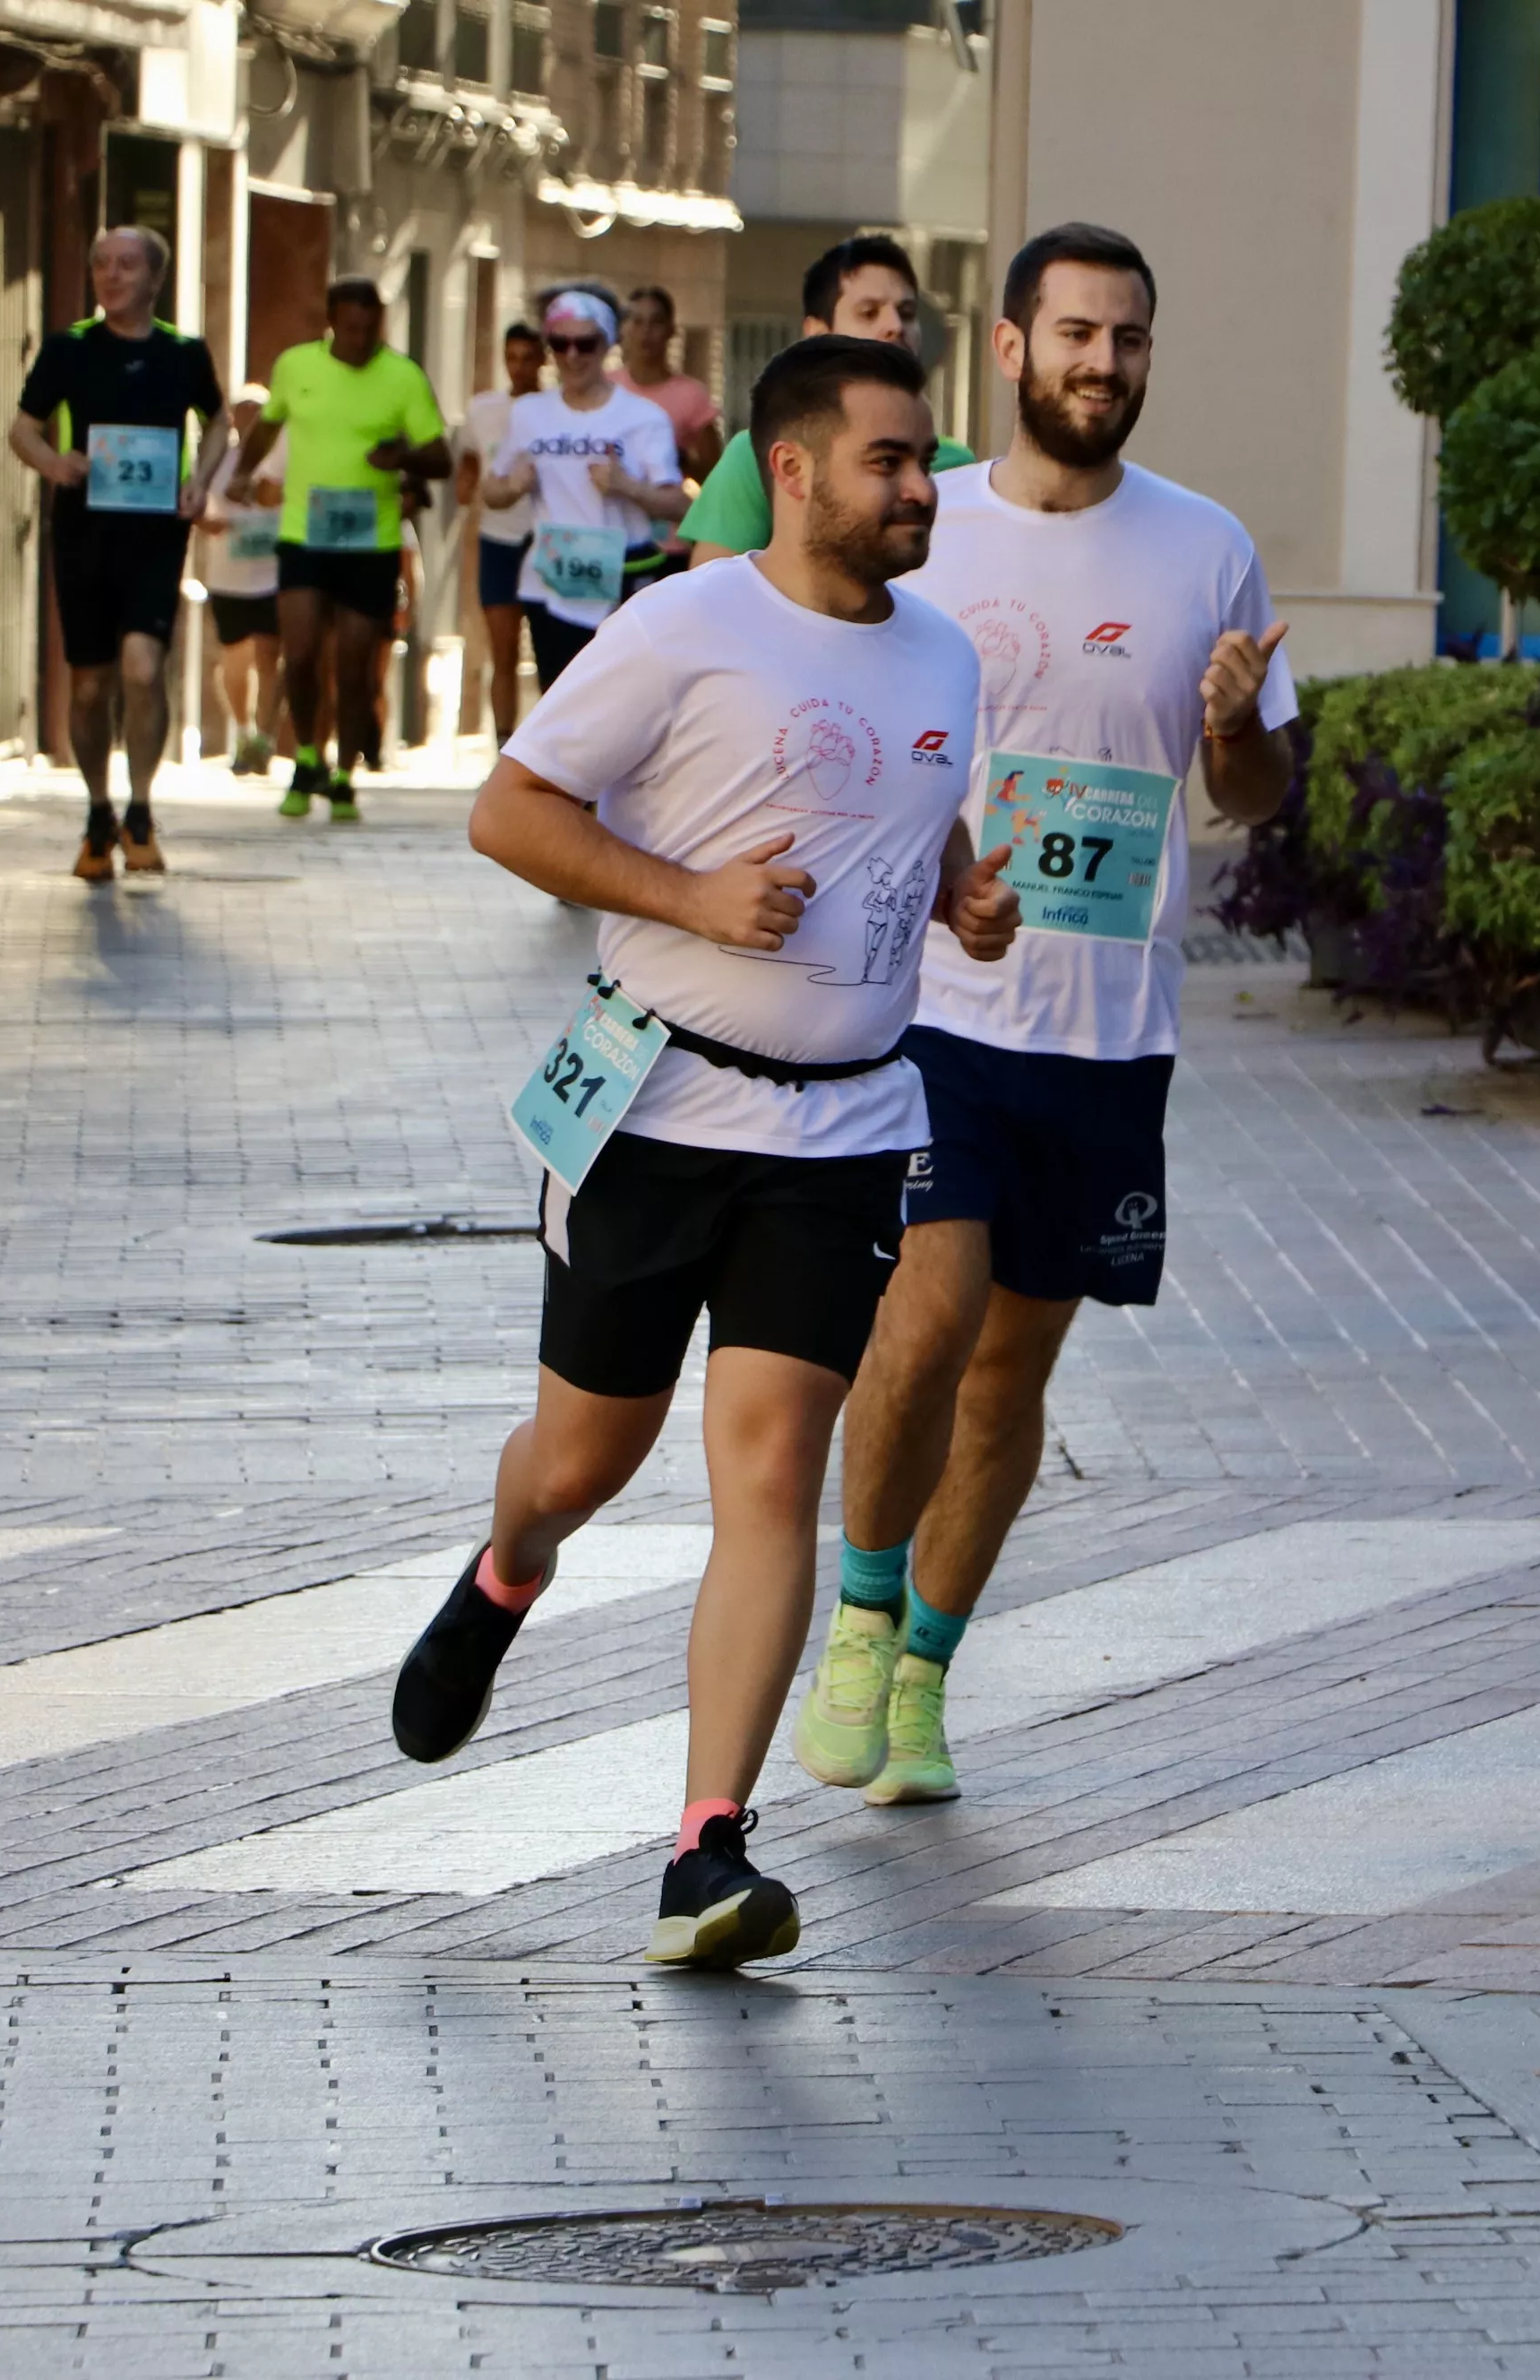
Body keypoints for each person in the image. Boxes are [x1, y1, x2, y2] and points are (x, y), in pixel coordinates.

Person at [385, 335, 1020, 1969]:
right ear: (793, 468)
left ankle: (706, 1849)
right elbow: (509, 811)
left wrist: (955, 890)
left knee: (765, 1472)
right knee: (584, 1460)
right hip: (658, 1105)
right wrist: (686, 898)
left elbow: (915, 800)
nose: (918, 489)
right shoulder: (681, 628)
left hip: (847, 1123)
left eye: (925, 459)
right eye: (888, 461)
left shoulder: (944, 656)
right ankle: (504, 1570)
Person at [791, 222, 1295, 1809]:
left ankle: (928, 1670)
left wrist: (1233, 729)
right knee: (924, 1323)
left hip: (1108, 1027)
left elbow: (1255, 791)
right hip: (933, 1008)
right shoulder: (924, 525)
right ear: (1007, 350)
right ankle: (858, 1618)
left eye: (1127, 339)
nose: (1100, 363)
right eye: (1073, 334)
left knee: (1010, 1375)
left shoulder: (1205, 548)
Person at [7, 225, 223, 879]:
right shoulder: (69, 349)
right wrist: (55, 463)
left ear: (154, 279)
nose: (112, 276)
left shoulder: (184, 353)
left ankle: (141, 806)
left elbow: (219, 422)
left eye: (127, 266)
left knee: (141, 666)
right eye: (102, 264)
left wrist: (200, 481)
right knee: (90, 683)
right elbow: (22, 429)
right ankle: (98, 808)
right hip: (85, 532)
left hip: (156, 533)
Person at [237, 276, 450, 820]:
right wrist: (241, 472)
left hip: (369, 542)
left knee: (354, 668)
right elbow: (267, 425)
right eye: (350, 329)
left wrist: (402, 456)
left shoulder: (403, 378)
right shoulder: (296, 367)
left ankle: (346, 773)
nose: (359, 340)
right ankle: (307, 754)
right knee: (300, 654)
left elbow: (441, 459)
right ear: (331, 322)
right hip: (305, 537)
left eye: (370, 329)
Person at [685, 237, 976, 566]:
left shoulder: (959, 466)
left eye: (907, 313)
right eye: (868, 313)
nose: (895, 327)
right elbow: (709, 597)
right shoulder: (754, 455)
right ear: (818, 332)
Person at [480, 287, 686, 687]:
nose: (572, 356)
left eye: (585, 344)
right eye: (560, 344)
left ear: (607, 344)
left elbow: (680, 505)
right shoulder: (529, 414)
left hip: (623, 574)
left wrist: (629, 487)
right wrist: (513, 487)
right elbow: (491, 491)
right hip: (551, 579)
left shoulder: (643, 418)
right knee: (559, 702)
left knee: (620, 701)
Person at [457, 320, 546, 745]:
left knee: (554, 654)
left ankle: (552, 751)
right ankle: (504, 746)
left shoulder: (558, 409)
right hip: (498, 540)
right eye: (512, 358)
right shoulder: (482, 410)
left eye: (529, 358)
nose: (520, 367)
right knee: (503, 651)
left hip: (548, 540)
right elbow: (470, 463)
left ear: (543, 360)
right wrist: (467, 482)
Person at [194, 385, 287, 774]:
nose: (251, 416)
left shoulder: (285, 458)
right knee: (235, 660)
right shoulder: (218, 461)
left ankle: (264, 738)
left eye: (259, 410)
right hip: (228, 578)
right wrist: (210, 523)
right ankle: (244, 730)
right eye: (244, 409)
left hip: (274, 576)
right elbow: (195, 505)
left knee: (269, 655)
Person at [617, 282, 722, 481]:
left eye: (656, 322)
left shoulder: (692, 395)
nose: (646, 332)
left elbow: (715, 474)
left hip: (666, 506)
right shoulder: (605, 385)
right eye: (637, 322)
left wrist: (679, 461)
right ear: (624, 329)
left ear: (671, 330)